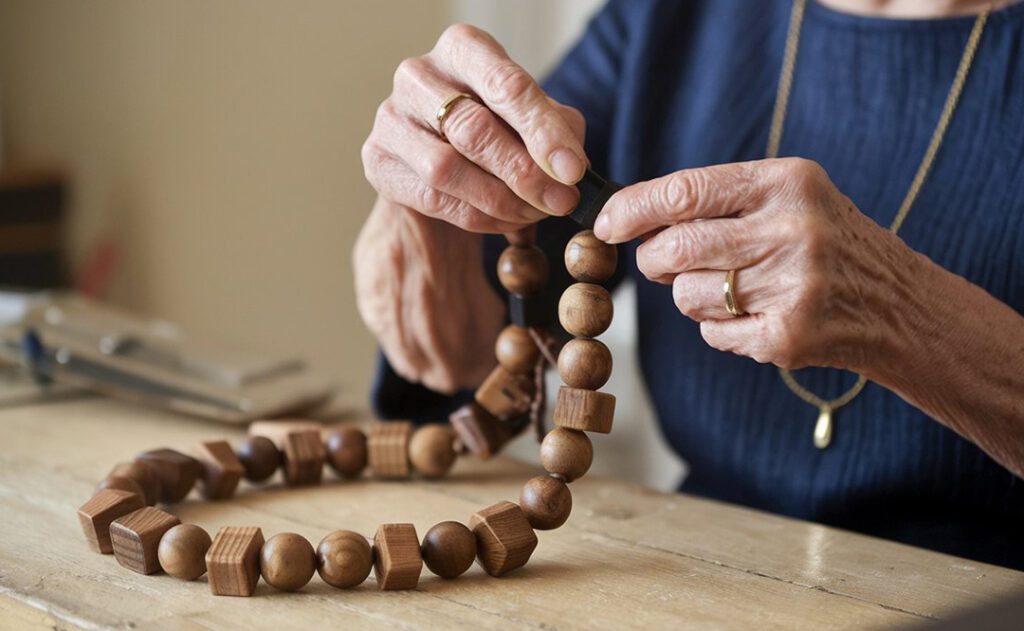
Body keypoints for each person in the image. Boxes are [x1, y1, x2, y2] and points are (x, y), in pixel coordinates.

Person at [354, 0, 1024, 569]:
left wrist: (907, 314)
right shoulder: (673, 15)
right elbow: (464, 355)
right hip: (704, 572)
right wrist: (427, 202)